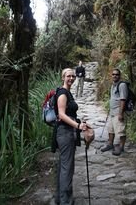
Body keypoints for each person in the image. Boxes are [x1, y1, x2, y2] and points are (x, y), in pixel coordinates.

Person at [55, 68, 87, 205]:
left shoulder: (67, 92)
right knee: (67, 168)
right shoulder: (63, 94)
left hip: (67, 132)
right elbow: (61, 115)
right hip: (65, 133)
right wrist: (77, 126)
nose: (72, 78)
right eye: (69, 76)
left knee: (64, 166)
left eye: (73, 76)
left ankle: (60, 198)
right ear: (63, 77)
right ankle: (65, 201)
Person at [101, 68, 128, 156]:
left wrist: (120, 113)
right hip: (112, 112)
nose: (115, 76)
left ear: (120, 76)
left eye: (116, 74)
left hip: (118, 112)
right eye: (113, 74)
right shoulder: (113, 85)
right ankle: (110, 144)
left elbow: (123, 99)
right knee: (111, 130)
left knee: (120, 131)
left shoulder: (122, 85)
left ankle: (121, 147)